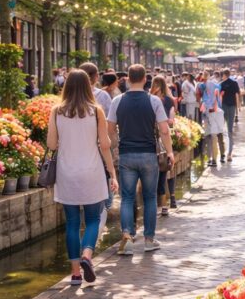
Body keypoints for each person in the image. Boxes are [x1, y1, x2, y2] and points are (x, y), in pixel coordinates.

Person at [47, 69, 118, 286]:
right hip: (92, 171)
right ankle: (88, 255)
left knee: (72, 223)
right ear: (89, 86)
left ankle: (75, 274)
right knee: (94, 219)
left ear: (66, 86)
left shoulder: (56, 111)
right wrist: (112, 173)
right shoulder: (95, 111)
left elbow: (51, 145)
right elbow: (105, 146)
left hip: (66, 173)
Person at [107, 64, 174, 255]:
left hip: (126, 155)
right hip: (148, 155)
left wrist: (116, 146)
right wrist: (169, 152)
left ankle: (127, 238)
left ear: (127, 78)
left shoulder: (117, 101)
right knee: (150, 197)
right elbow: (164, 129)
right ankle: (149, 239)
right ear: (145, 79)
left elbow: (110, 129)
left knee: (127, 198)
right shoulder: (154, 101)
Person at [151, 77, 178, 215]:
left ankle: (158, 204)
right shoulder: (169, 100)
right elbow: (172, 118)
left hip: (153, 138)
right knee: (166, 169)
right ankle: (168, 201)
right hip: (165, 136)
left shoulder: (150, 99)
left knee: (156, 173)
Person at [219, 69, 241, 160]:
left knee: (221, 128)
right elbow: (237, 95)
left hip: (224, 106)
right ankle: (229, 154)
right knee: (230, 129)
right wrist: (238, 107)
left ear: (224, 75)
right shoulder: (234, 83)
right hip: (232, 106)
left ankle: (223, 153)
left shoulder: (221, 84)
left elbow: (220, 97)